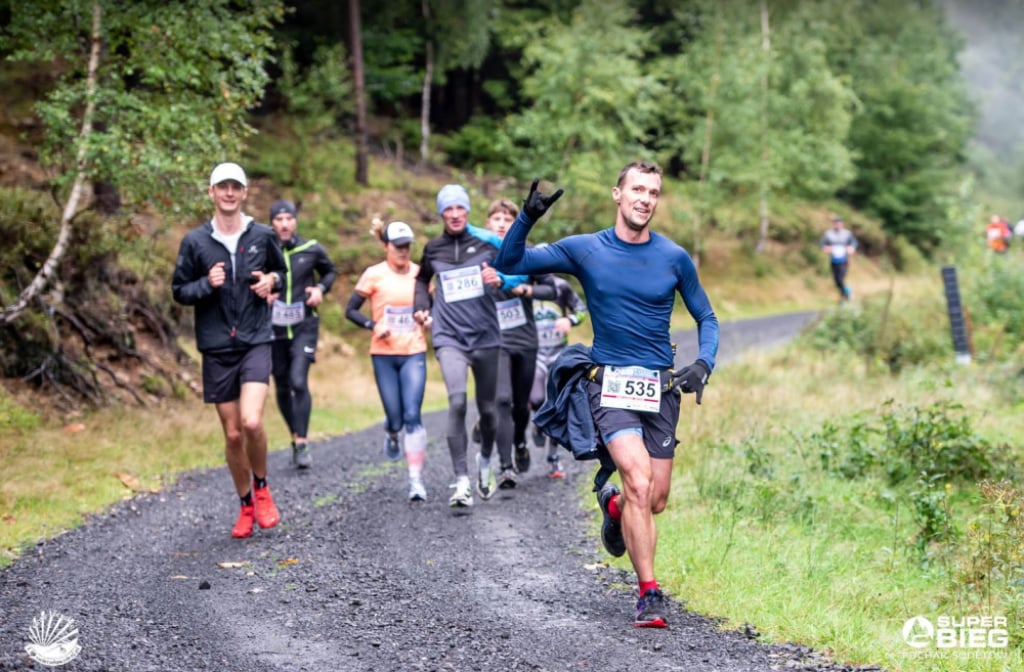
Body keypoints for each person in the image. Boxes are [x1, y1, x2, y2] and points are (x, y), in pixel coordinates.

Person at [494, 161, 719, 628]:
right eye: (637, 189)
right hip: (610, 384)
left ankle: (613, 507)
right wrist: (526, 219)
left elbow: (707, 318)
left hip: (660, 387)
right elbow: (509, 264)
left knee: (653, 499)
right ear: (618, 194)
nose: (645, 199)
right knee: (638, 480)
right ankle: (649, 594)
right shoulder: (586, 250)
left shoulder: (674, 257)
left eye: (653, 192)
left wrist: (703, 362)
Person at [172, 162, 286, 539]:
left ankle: (263, 487)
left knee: (252, 421)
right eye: (223, 187)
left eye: (235, 187)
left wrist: (271, 280)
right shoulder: (195, 242)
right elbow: (179, 290)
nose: (229, 193)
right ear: (211, 192)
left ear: (245, 192)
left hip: (255, 339)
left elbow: (281, 275)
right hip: (217, 346)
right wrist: (207, 283)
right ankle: (245, 505)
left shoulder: (262, 234)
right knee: (233, 434)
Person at [413, 184, 508, 508]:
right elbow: (421, 281)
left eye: (459, 209)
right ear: (441, 213)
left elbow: (512, 275)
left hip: (485, 336)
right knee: (456, 401)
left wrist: (501, 280)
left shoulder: (487, 243)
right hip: (449, 335)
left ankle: (484, 461)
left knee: (488, 410)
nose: (454, 215)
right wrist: (422, 305)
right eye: (448, 209)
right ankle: (461, 481)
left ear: (467, 211)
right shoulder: (434, 248)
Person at [466, 199, 557, 494]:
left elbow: (551, 289)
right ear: (487, 223)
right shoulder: (477, 255)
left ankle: (519, 441)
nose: (502, 223)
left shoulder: (528, 255)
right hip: (493, 341)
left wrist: (523, 288)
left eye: (508, 218)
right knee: (502, 400)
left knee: (521, 406)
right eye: (496, 218)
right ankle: (505, 466)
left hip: (526, 340)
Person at [346, 220, 430, 502]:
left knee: (412, 415)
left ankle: (416, 480)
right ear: (386, 246)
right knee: (395, 417)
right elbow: (350, 310)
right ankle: (391, 432)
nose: (404, 251)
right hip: (383, 353)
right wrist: (373, 325)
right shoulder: (374, 275)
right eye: (398, 246)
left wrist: (427, 318)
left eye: (407, 246)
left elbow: (432, 306)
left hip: (414, 350)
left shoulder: (420, 274)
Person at [267, 199, 337, 470]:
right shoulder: (264, 250)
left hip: (304, 326)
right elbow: (252, 279)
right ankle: (295, 437)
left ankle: (303, 441)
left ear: (295, 221)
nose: (284, 224)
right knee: (283, 385)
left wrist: (320, 289)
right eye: (278, 219)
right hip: (273, 329)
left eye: (288, 219)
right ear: (272, 223)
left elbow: (330, 271)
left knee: (298, 380)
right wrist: (262, 293)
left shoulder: (311, 248)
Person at [530, 273, 588, 478]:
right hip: (533, 353)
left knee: (556, 405)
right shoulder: (526, 285)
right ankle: (538, 422)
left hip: (558, 354)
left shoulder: (561, 286)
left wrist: (570, 319)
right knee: (536, 399)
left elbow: (581, 310)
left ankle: (553, 459)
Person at [819, 215, 857, 301]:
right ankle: (846, 292)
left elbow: (854, 242)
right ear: (833, 224)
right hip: (834, 260)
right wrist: (825, 248)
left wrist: (852, 248)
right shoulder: (828, 234)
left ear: (842, 224)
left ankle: (843, 297)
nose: (837, 225)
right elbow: (822, 244)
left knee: (841, 279)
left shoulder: (847, 233)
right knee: (836, 281)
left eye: (839, 223)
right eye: (835, 223)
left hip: (844, 260)